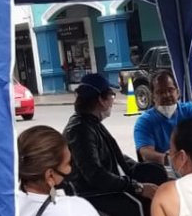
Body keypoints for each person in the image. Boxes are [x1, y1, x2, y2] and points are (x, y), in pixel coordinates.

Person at [65, 73, 160, 203]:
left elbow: (114, 156)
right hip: (99, 195)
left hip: (108, 187)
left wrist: (139, 168)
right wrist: (138, 187)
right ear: (101, 100)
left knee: (156, 172)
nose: (112, 101)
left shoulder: (90, 123)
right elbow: (95, 175)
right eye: (111, 96)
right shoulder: (80, 130)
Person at [133, 71, 192, 166]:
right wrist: (169, 160)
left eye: (170, 90)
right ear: (152, 96)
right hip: (164, 171)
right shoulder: (145, 121)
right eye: (160, 92)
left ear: (178, 92)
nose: (166, 95)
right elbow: (145, 153)